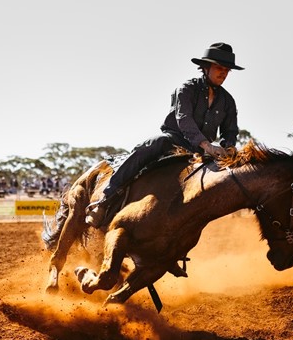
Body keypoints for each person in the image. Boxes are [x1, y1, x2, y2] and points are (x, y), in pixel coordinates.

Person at [85, 42, 244, 228]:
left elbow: (230, 131)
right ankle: (105, 200)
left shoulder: (228, 101)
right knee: (152, 144)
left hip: (201, 153)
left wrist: (227, 149)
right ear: (206, 67)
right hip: (174, 141)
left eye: (227, 70)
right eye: (219, 68)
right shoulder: (187, 89)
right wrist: (207, 145)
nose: (223, 73)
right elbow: (184, 120)